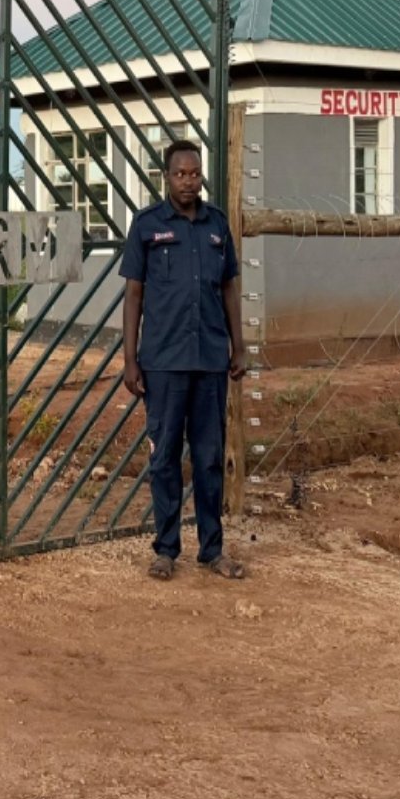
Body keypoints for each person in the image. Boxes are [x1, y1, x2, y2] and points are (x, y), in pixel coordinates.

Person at [120, 138, 247, 580]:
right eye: (180, 174)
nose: (189, 181)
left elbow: (229, 287)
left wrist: (239, 345)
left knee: (210, 458)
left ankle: (213, 549)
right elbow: (134, 294)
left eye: (195, 174)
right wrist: (130, 359)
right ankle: (166, 550)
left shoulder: (216, 226)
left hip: (211, 360)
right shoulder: (147, 226)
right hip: (164, 362)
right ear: (166, 177)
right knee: (165, 458)